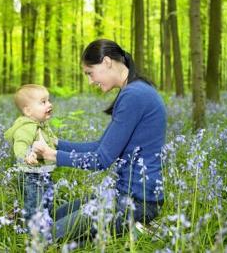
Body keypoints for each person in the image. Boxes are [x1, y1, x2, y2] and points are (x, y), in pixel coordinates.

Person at [32, 39, 167, 241]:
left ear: (106, 62)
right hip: (120, 195)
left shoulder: (135, 95)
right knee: (48, 219)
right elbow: (100, 147)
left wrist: (52, 156)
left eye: (89, 72)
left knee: (47, 238)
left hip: (138, 203)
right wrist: (56, 143)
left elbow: (101, 160)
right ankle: (132, 231)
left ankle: (140, 229)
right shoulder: (133, 91)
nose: (90, 81)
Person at [4, 84, 57, 222]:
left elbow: (52, 140)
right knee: (34, 205)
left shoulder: (42, 125)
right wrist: (26, 156)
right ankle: (33, 233)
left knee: (47, 202)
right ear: (28, 111)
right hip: (32, 175)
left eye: (49, 100)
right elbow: (20, 144)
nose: (49, 104)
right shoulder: (26, 127)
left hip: (45, 172)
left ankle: (46, 225)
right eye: (43, 102)